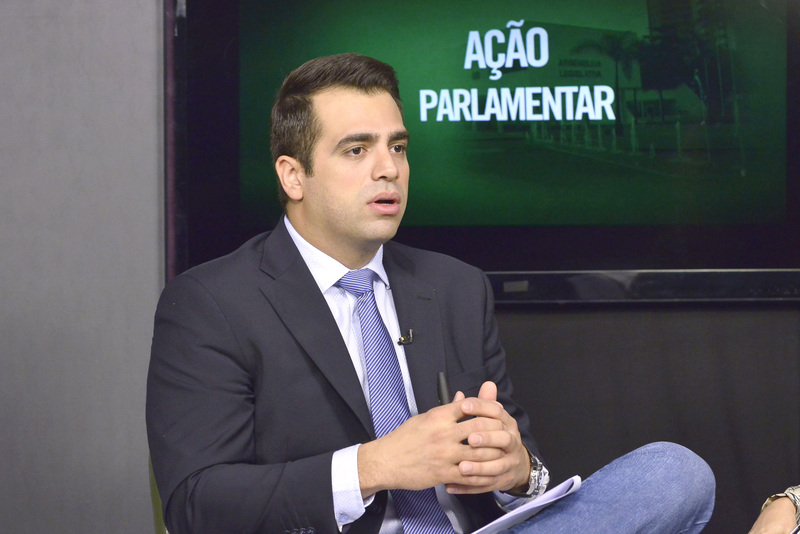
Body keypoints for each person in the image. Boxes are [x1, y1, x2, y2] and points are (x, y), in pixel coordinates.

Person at [146, 53, 715, 534]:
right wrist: (373, 467)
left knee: (676, 472)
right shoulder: (211, 303)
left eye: (397, 147)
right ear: (293, 176)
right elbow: (196, 504)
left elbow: (522, 479)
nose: (388, 169)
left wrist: (520, 472)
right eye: (356, 150)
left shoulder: (455, 286)